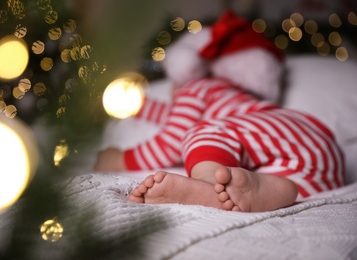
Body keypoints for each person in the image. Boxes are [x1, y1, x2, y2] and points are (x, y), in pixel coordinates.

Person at [94, 11, 345, 212]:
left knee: (201, 131)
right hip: (320, 163)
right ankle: (270, 190)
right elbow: (167, 115)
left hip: (292, 138)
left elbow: (171, 139)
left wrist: (119, 160)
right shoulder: (236, 98)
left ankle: (208, 185)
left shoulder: (198, 87)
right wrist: (139, 107)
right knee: (263, 181)